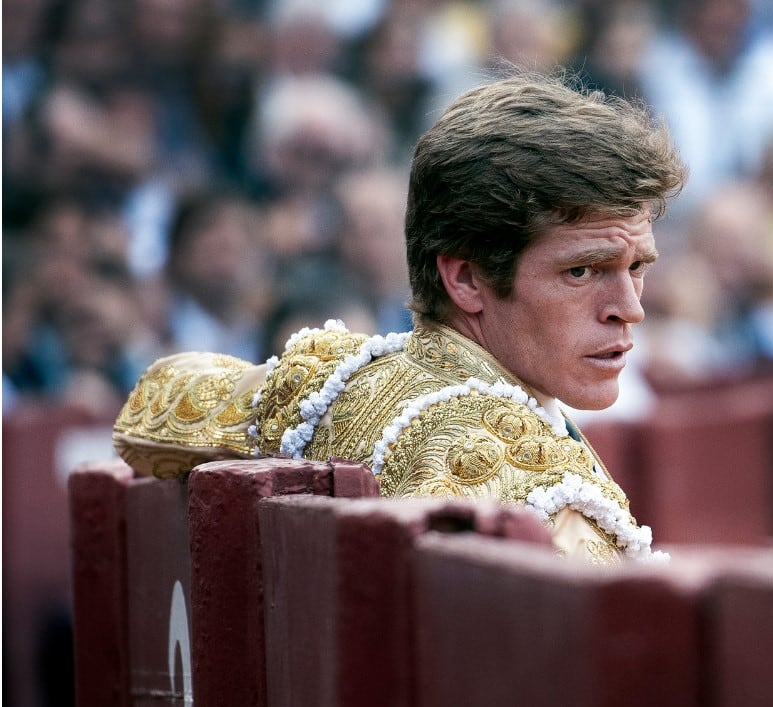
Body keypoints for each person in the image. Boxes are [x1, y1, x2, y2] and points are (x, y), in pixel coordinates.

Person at [112, 72, 686, 561]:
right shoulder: (546, 495)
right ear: (465, 278)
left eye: (637, 266)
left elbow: (152, 407)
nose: (629, 308)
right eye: (582, 272)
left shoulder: (341, 383)